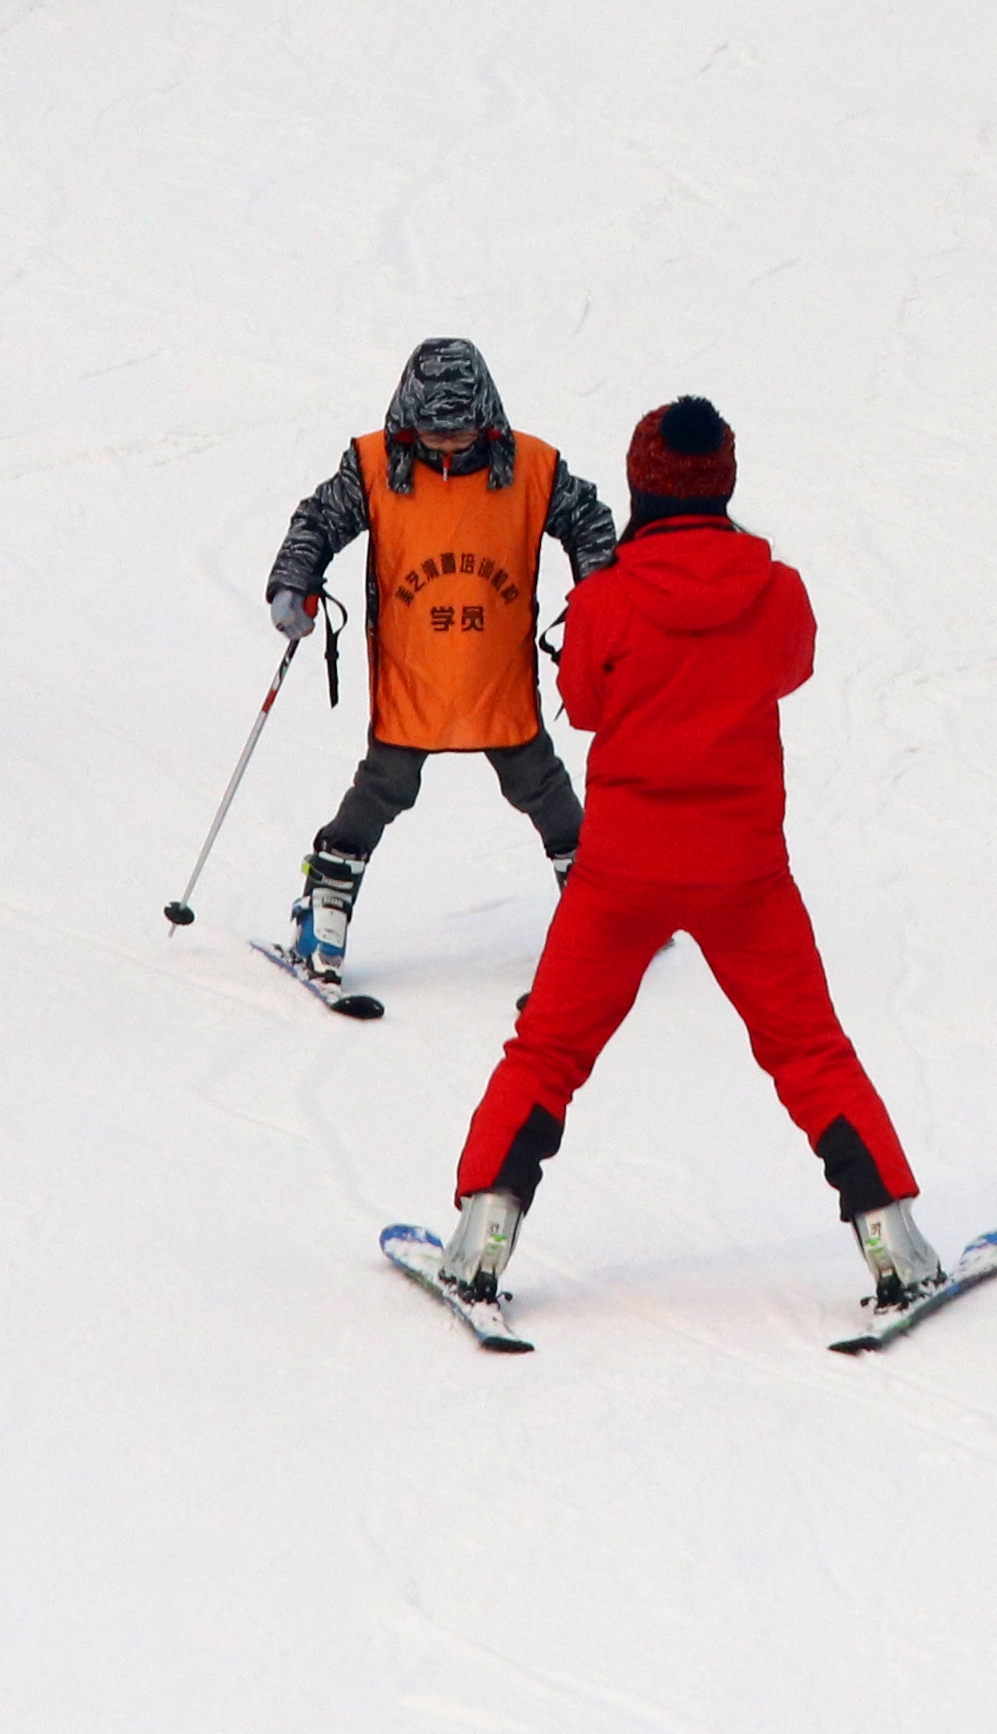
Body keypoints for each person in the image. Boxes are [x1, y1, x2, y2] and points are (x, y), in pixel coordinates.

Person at [432, 399, 948, 1320]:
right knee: (810, 1052)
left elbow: (583, 708)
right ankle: (893, 1242)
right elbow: (791, 667)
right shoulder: (777, 591)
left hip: (620, 871)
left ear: (640, 487)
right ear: (727, 484)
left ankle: (482, 1237)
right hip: (745, 873)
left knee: (548, 1050)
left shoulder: (607, 599)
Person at [264, 335, 620, 987]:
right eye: (433, 435)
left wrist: (597, 588)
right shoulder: (372, 465)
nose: (447, 448)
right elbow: (318, 521)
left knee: (539, 785)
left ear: (486, 418)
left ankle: (602, 907)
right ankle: (326, 905)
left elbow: (590, 521)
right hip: (415, 672)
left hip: (497, 674)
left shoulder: (533, 468)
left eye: (460, 436)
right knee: (385, 785)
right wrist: (295, 580)